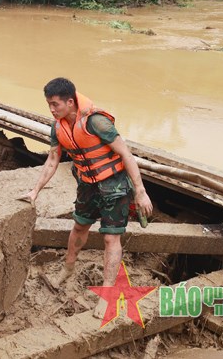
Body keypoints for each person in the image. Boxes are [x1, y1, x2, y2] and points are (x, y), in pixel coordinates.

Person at [22, 77, 154, 318]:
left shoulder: (97, 122)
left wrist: (140, 192)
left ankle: (107, 293)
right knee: (79, 226)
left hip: (114, 185)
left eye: (55, 104)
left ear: (70, 102)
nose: (51, 110)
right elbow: (52, 160)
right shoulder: (57, 126)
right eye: (48, 104)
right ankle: (68, 268)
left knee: (110, 239)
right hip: (87, 184)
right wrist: (35, 191)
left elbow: (126, 153)